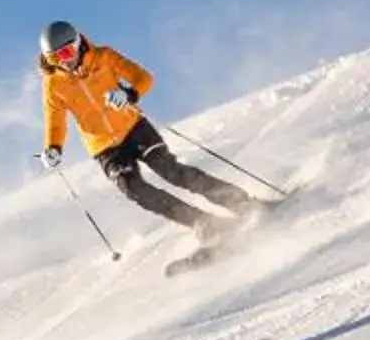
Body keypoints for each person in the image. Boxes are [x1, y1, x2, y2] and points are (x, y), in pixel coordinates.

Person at [36, 20, 255, 237]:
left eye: (65, 53)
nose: (63, 62)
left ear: (77, 44)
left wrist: (128, 95)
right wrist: (53, 147)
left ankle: (240, 203)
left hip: (133, 128)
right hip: (105, 148)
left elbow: (144, 78)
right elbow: (55, 120)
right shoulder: (53, 84)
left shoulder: (103, 57)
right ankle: (203, 223)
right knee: (133, 189)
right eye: (54, 58)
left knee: (171, 171)